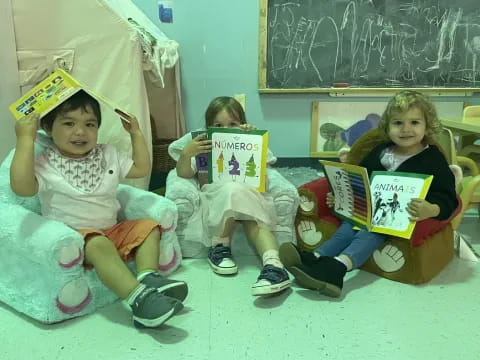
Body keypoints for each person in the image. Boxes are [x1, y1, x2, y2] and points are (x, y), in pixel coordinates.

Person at [10, 90, 188, 328]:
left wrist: (136, 133)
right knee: (98, 242)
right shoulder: (46, 162)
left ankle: (148, 278)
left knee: (149, 228)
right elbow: (21, 188)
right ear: (48, 128)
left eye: (90, 124)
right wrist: (24, 140)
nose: (81, 131)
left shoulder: (107, 153)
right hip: (75, 238)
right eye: (69, 123)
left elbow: (141, 168)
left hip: (112, 230)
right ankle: (138, 299)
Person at [279, 90, 459, 297]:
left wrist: (432, 208)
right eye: (398, 123)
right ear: (387, 126)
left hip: (396, 219)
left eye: (415, 123)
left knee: (372, 232)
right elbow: (359, 181)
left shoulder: (433, 159)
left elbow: (449, 198)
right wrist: (341, 198)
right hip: (366, 212)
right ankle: (316, 257)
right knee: (348, 227)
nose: (406, 129)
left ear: (427, 125)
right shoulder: (382, 151)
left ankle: (338, 267)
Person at [173, 96, 291, 296]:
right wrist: (186, 154)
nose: (225, 129)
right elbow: (184, 173)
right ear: (208, 127)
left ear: (242, 124)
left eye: (232, 124)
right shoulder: (203, 146)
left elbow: (267, 166)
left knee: (253, 219)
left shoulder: (248, 137)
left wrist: (254, 140)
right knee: (231, 191)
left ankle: (274, 265)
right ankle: (220, 246)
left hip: (247, 191)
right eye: (218, 125)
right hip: (216, 194)